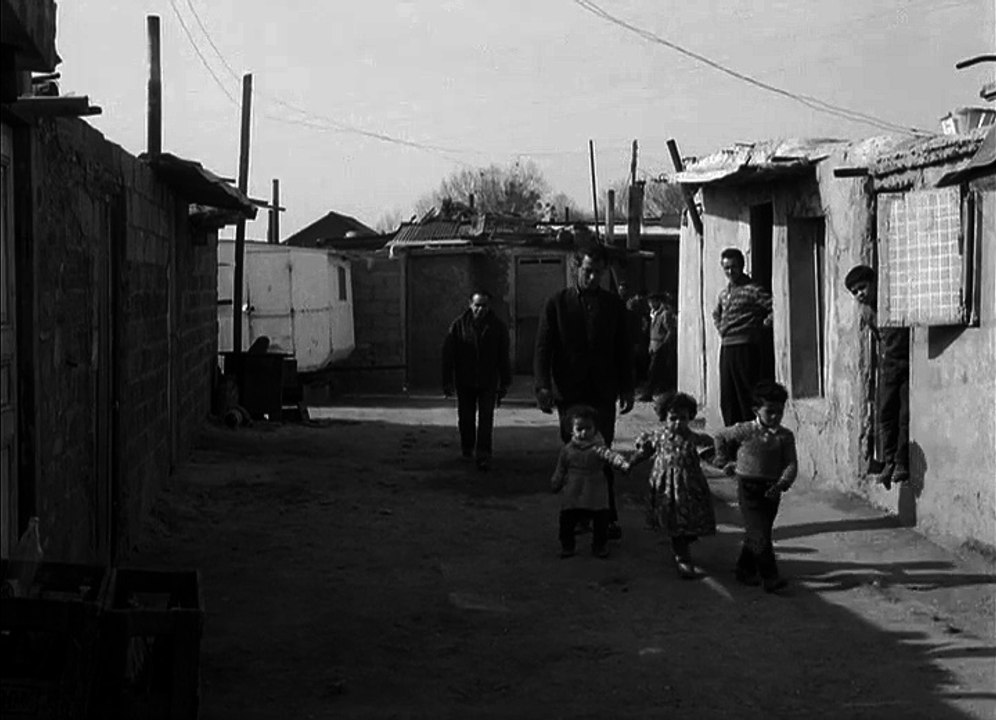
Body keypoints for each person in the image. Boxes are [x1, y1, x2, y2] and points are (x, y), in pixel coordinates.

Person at [534, 236, 635, 540]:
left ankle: (607, 516)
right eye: (588, 271)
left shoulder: (614, 305)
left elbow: (624, 351)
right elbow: (543, 348)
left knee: (602, 452)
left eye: (598, 273)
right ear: (577, 267)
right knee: (576, 455)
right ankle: (577, 515)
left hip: (603, 392)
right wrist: (542, 387)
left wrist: (627, 388)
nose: (593, 278)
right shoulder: (557, 303)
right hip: (570, 392)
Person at [712, 380, 797, 594]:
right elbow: (720, 436)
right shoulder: (745, 431)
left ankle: (744, 568)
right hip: (748, 487)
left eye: (780, 411)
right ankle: (770, 576)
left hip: (772, 489)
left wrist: (783, 483)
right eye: (770, 412)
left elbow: (791, 463)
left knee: (759, 531)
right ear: (756, 410)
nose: (776, 416)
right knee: (760, 533)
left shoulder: (785, 436)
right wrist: (723, 461)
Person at [629, 391, 716, 578]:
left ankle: (684, 544)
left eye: (682, 418)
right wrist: (629, 463)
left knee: (690, 519)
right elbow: (644, 453)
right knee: (675, 521)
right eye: (673, 418)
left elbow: (711, 455)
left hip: (690, 486)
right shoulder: (658, 437)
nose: (677, 423)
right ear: (664, 417)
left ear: (690, 417)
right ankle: (682, 556)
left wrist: (726, 463)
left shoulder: (695, 439)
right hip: (667, 487)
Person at [844, 265, 910, 488]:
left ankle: (901, 461)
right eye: (854, 292)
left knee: (904, 414)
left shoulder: (891, 299)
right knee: (885, 413)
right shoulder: (865, 310)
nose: (859, 294)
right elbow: (878, 338)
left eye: (862, 287)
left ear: (874, 283)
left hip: (907, 360)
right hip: (888, 364)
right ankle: (888, 461)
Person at [441, 290, 511, 471]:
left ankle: (483, 453)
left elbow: (503, 356)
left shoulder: (497, 327)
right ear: (470, 304)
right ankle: (467, 448)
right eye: (477, 305)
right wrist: (447, 380)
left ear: (489, 307)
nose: (480, 309)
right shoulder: (458, 326)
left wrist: (505, 382)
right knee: (466, 417)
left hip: (488, 380)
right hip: (465, 380)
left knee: (486, 418)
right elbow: (448, 355)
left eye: (484, 306)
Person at [550, 405, 631, 559]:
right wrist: (556, 481)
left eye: (588, 428)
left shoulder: (598, 448)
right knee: (567, 519)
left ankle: (600, 545)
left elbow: (611, 456)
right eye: (579, 428)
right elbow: (561, 468)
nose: (584, 432)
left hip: (596, 489)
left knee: (600, 519)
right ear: (571, 430)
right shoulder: (567, 450)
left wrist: (623, 464)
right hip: (574, 489)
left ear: (595, 428)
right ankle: (567, 545)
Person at [712, 248, 774, 426]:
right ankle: (732, 439)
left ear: (742, 266)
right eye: (726, 268)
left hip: (746, 348)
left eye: (734, 267)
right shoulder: (724, 294)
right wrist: (722, 329)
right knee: (728, 396)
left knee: (745, 394)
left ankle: (750, 438)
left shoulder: (753, 289)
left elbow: (775, 308)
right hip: (727, 348)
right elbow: (716, 314)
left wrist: (761, 326)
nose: (730, 272)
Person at [642, 292, 677, 400]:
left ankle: (649, 393)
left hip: (660, 345)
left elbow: (670, 331)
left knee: (653, 371)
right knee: (655, 371)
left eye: (653, 301)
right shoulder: (653, 314)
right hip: (653, 345)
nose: (651, 304)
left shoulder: (664, 314)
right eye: (649, 302)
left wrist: (664, 344)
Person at [618, 281, 650, 391]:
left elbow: (636, 324)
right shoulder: (618, 302)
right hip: (621, 338)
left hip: (630, 339)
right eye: (620, 290)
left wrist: (636, 339)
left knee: (631, 363)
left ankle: (631, 386)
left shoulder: (632, 307)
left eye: (623, 290)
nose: (622, 292)